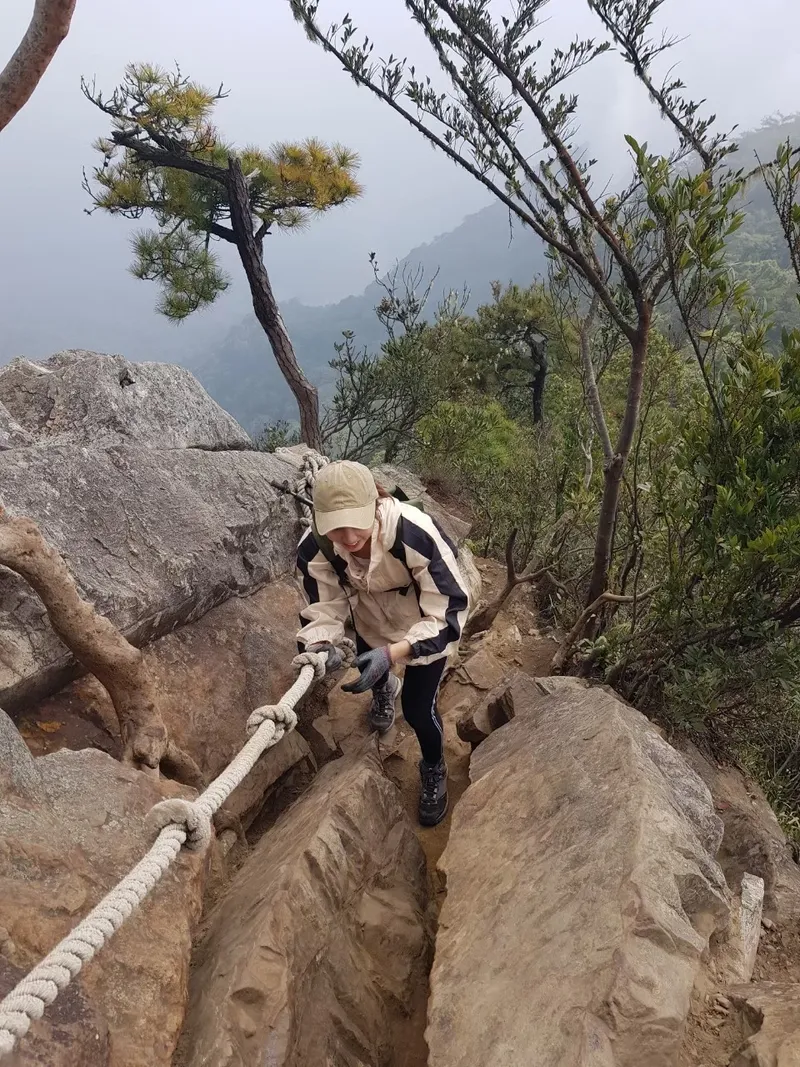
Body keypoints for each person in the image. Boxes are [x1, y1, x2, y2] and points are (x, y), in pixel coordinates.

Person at [296, 460, 470, 826]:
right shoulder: (316, 547)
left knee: (419, 709)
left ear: (375, 506)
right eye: (334, 527)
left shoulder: (413, 533)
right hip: (370, 619)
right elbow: (323, 606)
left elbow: (448, 611)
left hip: (423, 624)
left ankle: (434, 765)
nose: (346, 538)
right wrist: (321, 644)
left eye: (353, 522)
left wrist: (395, 652)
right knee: (368, 669)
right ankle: (383, 685)